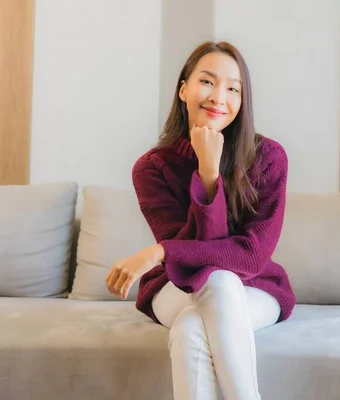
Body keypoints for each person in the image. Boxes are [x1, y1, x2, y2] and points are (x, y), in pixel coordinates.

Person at [104, 41, 296, 400]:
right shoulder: (152, 168)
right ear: (184, 90)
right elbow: (198, 260)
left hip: (255, 287)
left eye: (233, 88)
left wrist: (159, 252)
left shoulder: (268, 158)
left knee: (195, 324)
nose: (218, 97)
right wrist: (207, 172)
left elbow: (251, 257)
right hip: (176, 289)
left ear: (243, 100)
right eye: (207, 82)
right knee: (217, 280)